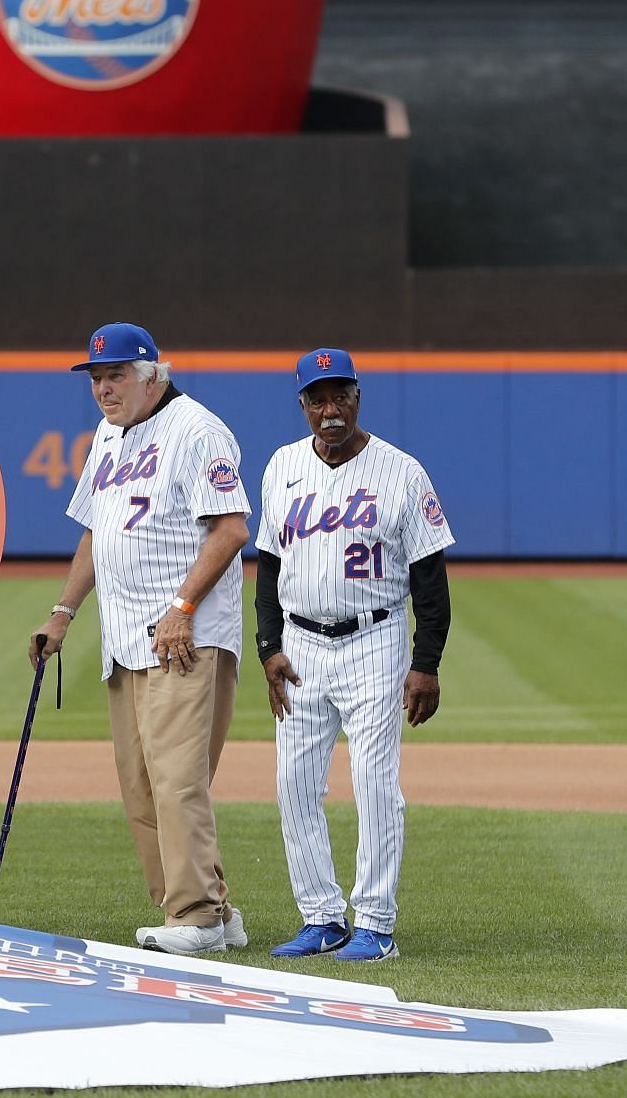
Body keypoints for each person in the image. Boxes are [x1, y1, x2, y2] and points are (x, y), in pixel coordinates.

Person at [32, 323, 251, 955]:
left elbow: (231, 531)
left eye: (117, 375)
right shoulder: (106, 437)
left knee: (179, 778)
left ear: (151, 373)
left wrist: (182, 607)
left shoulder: (198, 431)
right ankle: (209, 910)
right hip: (123, 637)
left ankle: (197, 918)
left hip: (185, 636)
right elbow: (97, 533)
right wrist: (63, 613)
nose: (104, 388)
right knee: (141, 787)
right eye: (97, 377)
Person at [254, 348, 455, 962]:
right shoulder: (282, 466)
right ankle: (321, 917)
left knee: (374, 783)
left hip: (376, 641)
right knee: (294, 784)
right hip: (302, 645)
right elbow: (268, 564)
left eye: (340, 395)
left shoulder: (402, 471)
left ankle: (375, 922)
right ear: (303, 405)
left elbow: (430, 578)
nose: (330, 409)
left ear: (358, 396)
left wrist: (426, 662)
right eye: (317, 398)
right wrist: (268, 646)